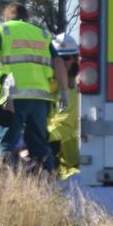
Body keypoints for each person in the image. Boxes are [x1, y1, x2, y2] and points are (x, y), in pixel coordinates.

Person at [0, 3, 69, 173]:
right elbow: (58, 62)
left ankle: (2, 183)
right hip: (39, 99)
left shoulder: (2, 29)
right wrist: (64, 91)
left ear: (6, 18)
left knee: (5, 142)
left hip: (12, 96)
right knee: (39, 145)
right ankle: (47, 180)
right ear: (27, 18)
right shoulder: (41, 34)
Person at [47, 33, 81, 180]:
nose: (60, 62)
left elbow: (63, 127)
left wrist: (40, 136)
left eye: (65, 58)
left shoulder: (72, 95)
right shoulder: (46, 87)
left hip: (69, 169)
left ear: (75, 59)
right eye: (56, 58)